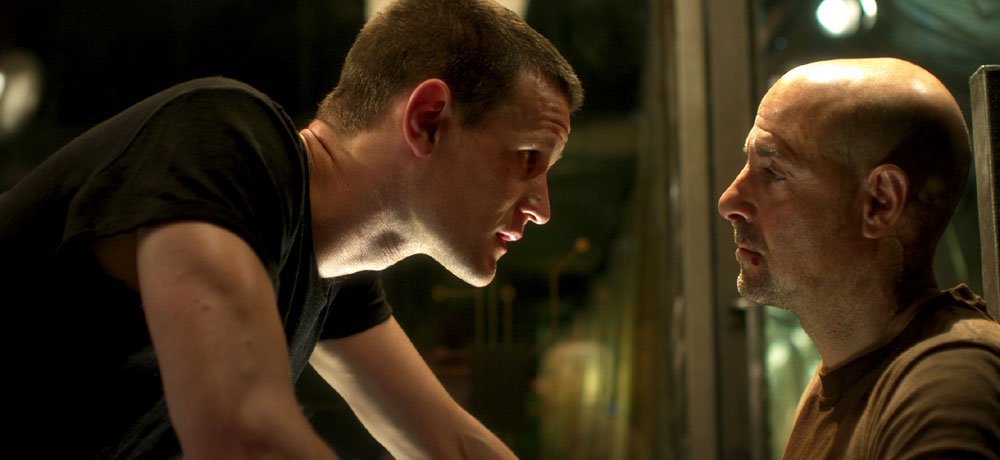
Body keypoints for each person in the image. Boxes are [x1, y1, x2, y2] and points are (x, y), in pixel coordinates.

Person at [0, 0, 583, 458]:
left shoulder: (331, 269)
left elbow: (453, 446)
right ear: (428, 121)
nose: (542, 207)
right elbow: (245, 436)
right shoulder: (222, 142)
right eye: (527, 158)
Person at [718, 57, 1000, 459]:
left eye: (774, 172)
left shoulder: (949, 385)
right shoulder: (842, 378)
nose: (729, 201)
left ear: (880, 202)